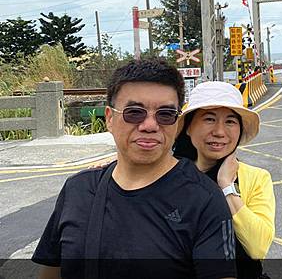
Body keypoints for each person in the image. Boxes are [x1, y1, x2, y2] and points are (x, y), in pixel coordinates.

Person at [32, 59, 237, 279]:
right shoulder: (78, 190)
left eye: (165, 114)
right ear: (109, 119)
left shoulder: (203, 199)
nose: (150, 125)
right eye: (134, 112)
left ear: (177, 123)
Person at [173, 81, 275, 279]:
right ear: (188, 127)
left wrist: (227, 187)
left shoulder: (256, 178)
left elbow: (258, 247)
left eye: (230, 121)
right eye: (209, 119)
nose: (219, 132)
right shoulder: (170, 176)